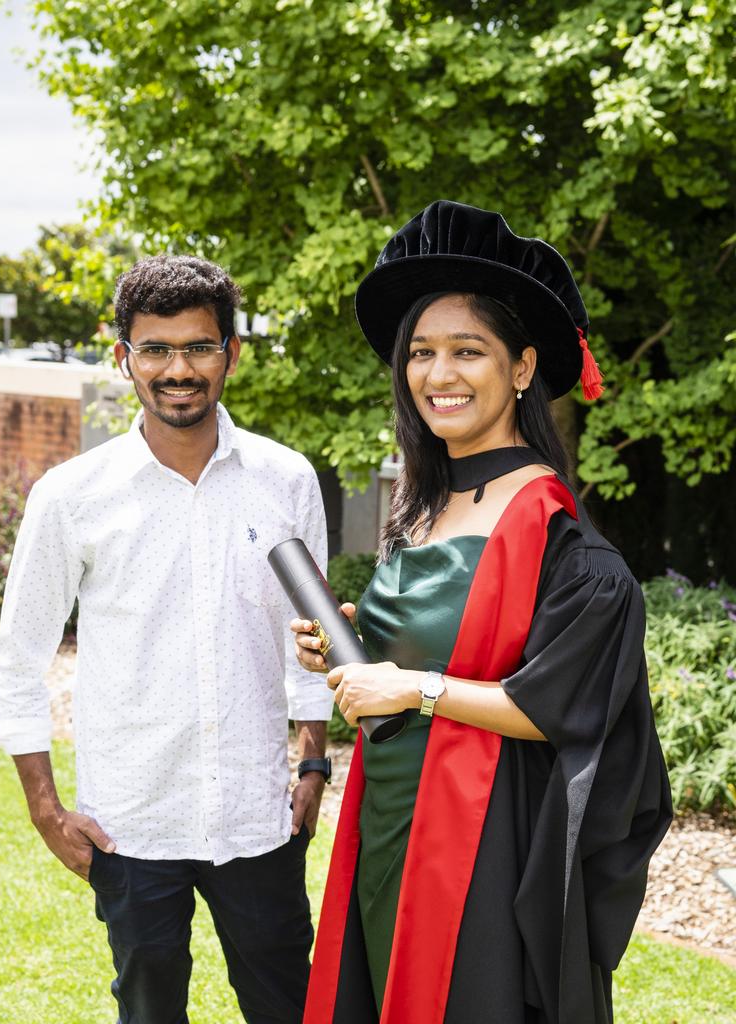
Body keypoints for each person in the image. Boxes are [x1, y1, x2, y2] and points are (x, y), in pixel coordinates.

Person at [293, 202, 672, 1024]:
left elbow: (558, 708)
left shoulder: (558, 536)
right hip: (389, 822)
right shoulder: (423, 507)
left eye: (469, 351)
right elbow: (413, 665)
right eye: (422, 353)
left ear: (524, 367)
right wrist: (348, 655)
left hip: (485, 844)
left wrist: (413, 687)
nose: (440, 374)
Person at [0, 254, 334, 1024]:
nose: (179, 368)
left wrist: (313, 759)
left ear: (232, 354)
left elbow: (306, 639)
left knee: (291, 1006)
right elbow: (18, 661)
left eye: (200, 347)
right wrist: (46, 809)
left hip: (258, 816)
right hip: (132, 822)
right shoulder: (71, 497)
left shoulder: (286, 480)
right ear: (124, 358)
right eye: (156, 349)